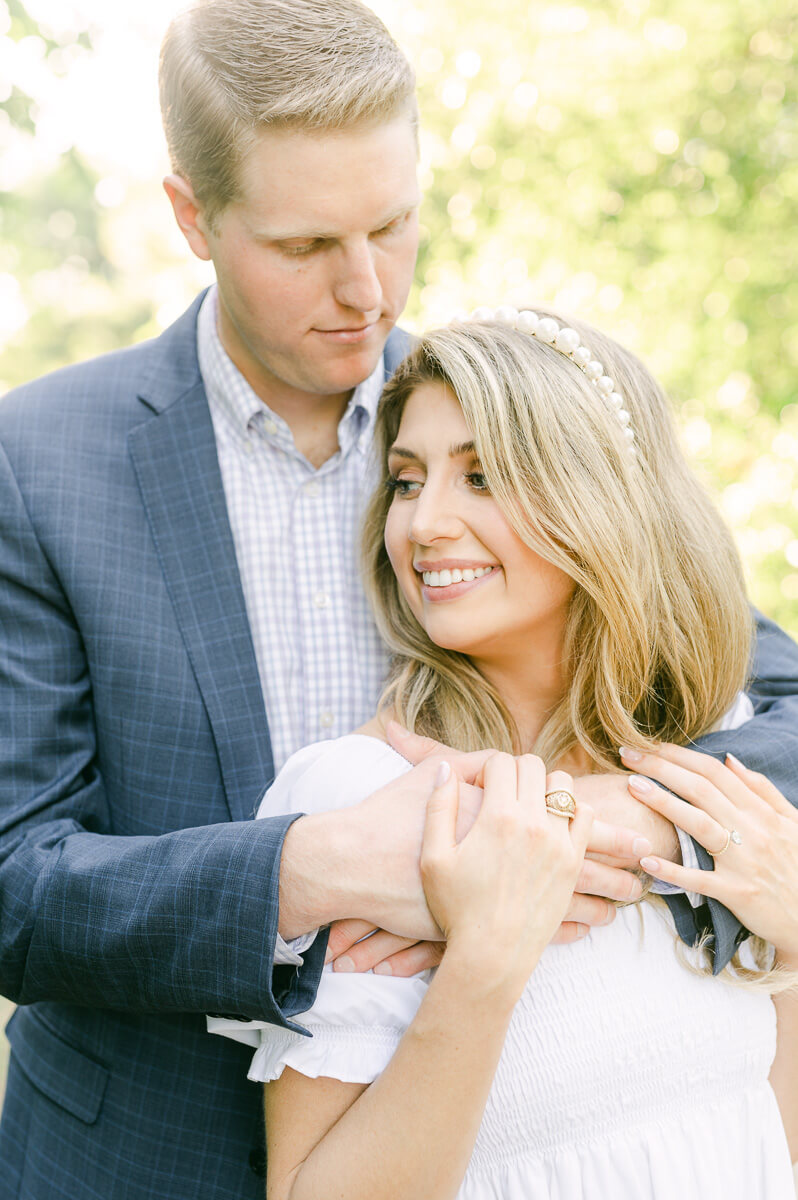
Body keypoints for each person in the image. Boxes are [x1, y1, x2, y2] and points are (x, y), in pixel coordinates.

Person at [0, 0, 796, 1194]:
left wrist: (640, 825)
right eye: (307, 245)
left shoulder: (491, 421)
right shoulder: (42, 461)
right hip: (136, 1149)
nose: (365, 289)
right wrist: (312, 870)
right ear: (192, 217)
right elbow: (17, 877)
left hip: (485, 1127)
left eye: (392, 223)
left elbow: (752, 695)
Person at [212, 308, 798, 1198]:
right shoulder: (365, 799)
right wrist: (485, 960)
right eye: (408, 482)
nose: (424, 525)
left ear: (600, 499)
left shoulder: (711, 749)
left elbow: (767, 1133)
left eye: (481, 476)